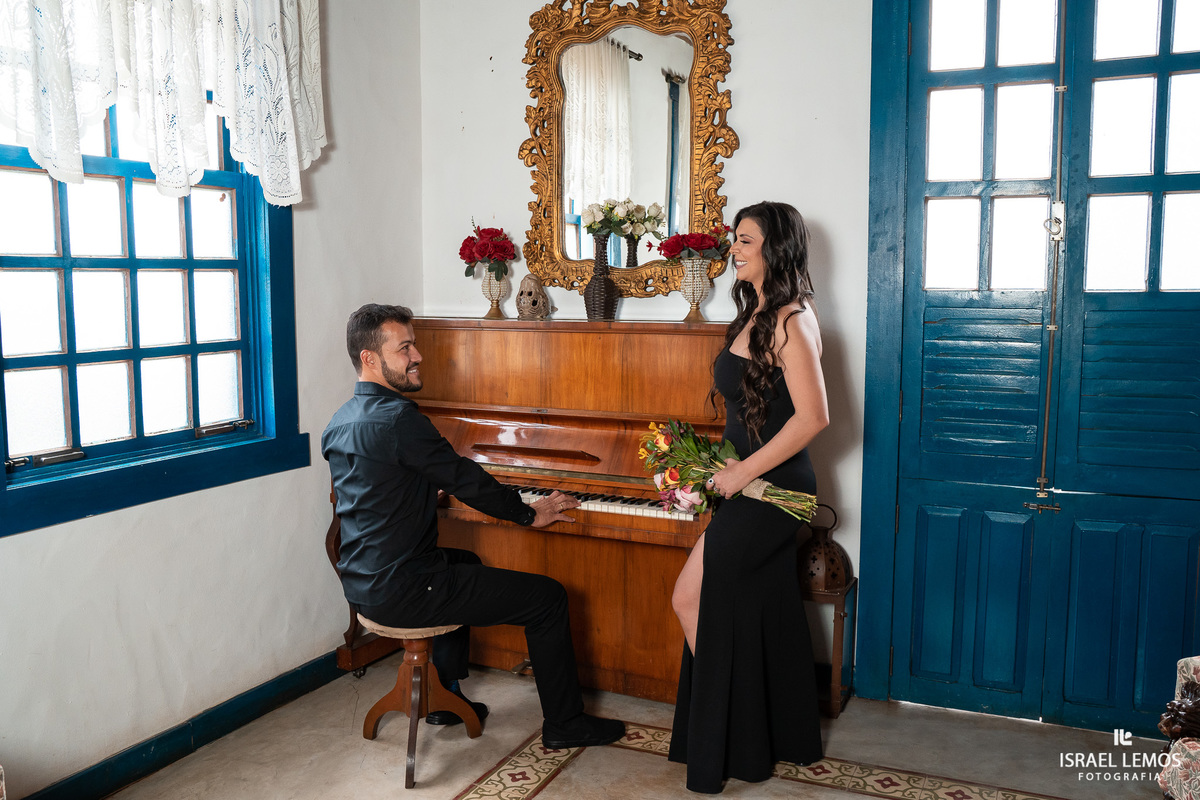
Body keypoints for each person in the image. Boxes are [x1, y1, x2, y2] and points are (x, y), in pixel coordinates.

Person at [321, 303, 625, 749]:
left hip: (363, 583)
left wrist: (422, 489)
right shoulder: (401, 420)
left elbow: (374, 490)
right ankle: (565, 724)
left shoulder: (342, 419)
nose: (417, 356)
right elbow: (469, 480)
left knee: (464, 560)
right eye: (404, 348)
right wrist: (529, 512)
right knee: (548, 598)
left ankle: (446, 696)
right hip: (408, 589)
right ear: (370, 359)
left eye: (415, 345)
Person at [668, 202, 829, 793]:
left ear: (775, 248)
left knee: (691, 599)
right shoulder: (753, 313)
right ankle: (764, 737)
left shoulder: (793, 319)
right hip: (742, 483)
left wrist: (739, 476)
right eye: (735, 240)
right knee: (757, 608)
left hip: (777, 491)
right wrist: (707, 467)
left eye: (745, 240)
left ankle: (725, 737)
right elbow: (748, 416)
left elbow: (814, 418)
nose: (733, 249)